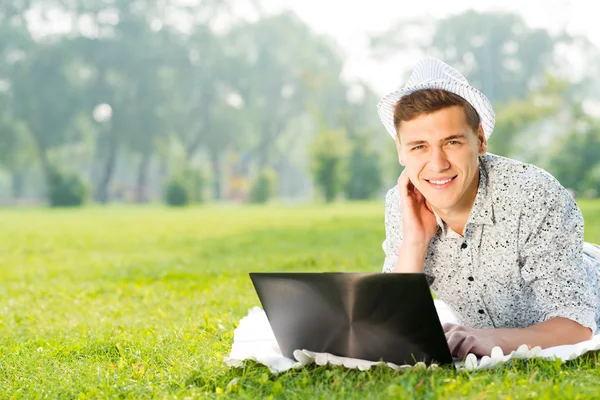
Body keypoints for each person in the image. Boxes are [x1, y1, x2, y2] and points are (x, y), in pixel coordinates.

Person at [378, 57, 600, 359]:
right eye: (419, 146)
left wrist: (492, 339)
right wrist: (415, 241)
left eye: (452, 142)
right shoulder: (403, 201)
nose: (438, 164)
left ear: (480, 140)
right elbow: (388, 325)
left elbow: (577, 328)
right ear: (401, 152)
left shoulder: (533, 193)